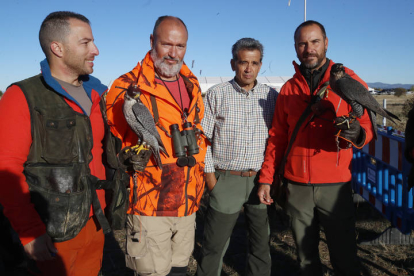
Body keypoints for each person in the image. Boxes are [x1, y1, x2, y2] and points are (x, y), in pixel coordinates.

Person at [0, 11, 125, 275]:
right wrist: (29, 231)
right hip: (53, 231)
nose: (96, 50)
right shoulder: (22, 96)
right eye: (85, 43)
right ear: (57, 48)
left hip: (96, 221)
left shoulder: (98, 94)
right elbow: (6, 168)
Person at [257, 20, 374, 276]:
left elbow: (368, 126)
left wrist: (359, 134)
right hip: (296, 186)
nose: (308, 48)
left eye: (314, 42)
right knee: (306, 260)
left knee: (345, 259)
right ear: (296, 47)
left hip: (335, 185)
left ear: (326, 43)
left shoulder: (351, 80)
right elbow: (277, 137)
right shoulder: (289, 89)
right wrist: (267, 178)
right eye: (302, 43)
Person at [105, 16, 207, 276]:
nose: (174, 53)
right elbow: (114, 141)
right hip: (150, 204)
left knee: (179, 270)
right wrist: (127, 157)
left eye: (181, 46)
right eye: (167, 44)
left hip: (187, 202)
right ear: (152, 42)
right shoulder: (126, 86)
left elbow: (199, 135)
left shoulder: (192, 83)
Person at [196, 38, 277, 276]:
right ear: (233, 64)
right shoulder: (216, 95)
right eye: (243, 62)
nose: (248, 68)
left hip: (260, 181)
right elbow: (203, 140)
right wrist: (212, 180)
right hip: (225, 180)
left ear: (261, 65)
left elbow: (276, 141)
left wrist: (271, 179)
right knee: (214, 245)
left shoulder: (271, 97)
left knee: (261, 245)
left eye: (254, 63)